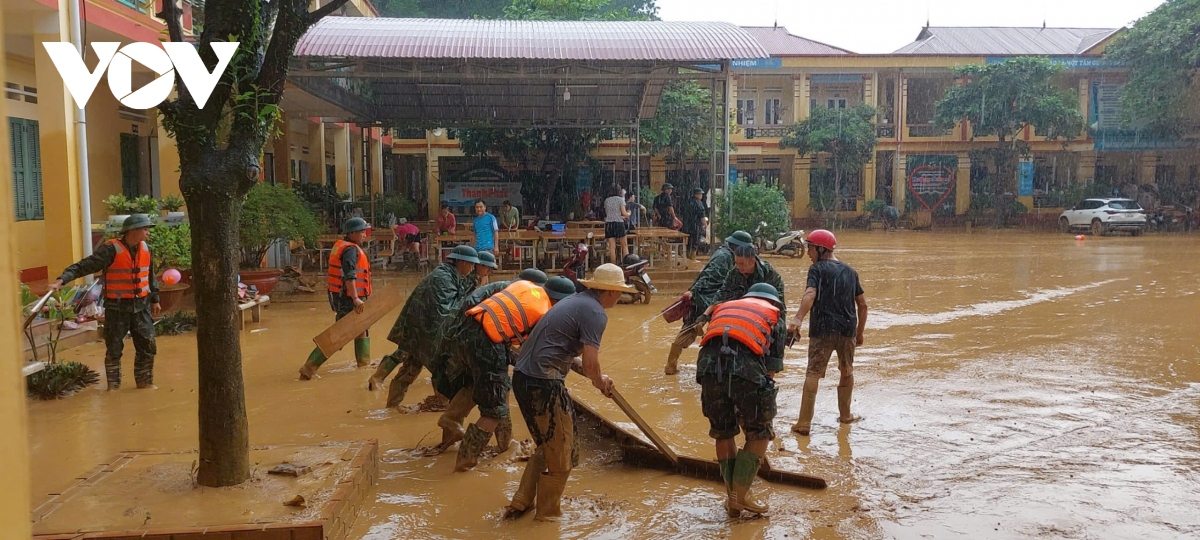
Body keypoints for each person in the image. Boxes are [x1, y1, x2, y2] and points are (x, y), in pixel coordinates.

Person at [502, 264, 631, 521]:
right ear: (610, 292)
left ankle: (521, 501)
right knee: (563, 453)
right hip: (543, 383)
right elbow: (591, 363)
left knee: (548, 444)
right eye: (619, 291)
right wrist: (598, 380)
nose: (620, 296)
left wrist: (599, 378)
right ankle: (548, 516)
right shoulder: (596, 313)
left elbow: (570, 358)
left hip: (523, 379)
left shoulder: (575, 301)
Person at [435, 273, 578, 472]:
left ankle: (503, 445)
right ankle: (465, 462)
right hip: (486, 343)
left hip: (466, 333)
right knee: (493, 410)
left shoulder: (524, 288)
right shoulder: (546, 312)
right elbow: (537, 348)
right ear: (560, 301)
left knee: (494, 388)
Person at [695, 283, 787, 517]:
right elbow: (769, 373)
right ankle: (739, 497)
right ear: (774, 302)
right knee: (760, 432)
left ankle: (733, 497)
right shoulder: (775, 317)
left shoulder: (725, 307)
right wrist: (757, 416)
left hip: (707, 367)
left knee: (723, 431)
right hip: (744, 369)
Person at [50, 214, 161, 390]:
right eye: (145, 229)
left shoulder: (147, 249)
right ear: (133, 231)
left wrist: (155, 299)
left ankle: (144, 382)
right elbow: (83, 266)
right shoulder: (110, 250)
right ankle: (113, 386)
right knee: (114, 347)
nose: (148, 233)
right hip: (117, 307)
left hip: (141, 306)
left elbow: (150, 275)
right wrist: (61, 280)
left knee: (148, 344)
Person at [369, 245, 480, 408]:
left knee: (411, 368)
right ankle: (442, 406)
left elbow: (458, 300)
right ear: (461, 262)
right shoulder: (443, 278)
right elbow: (447, 311)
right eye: (471, 264)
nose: (472, 267)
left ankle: (391, 408)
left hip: (425, 329)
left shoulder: (451, 275)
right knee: (434, 366)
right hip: (421, 329)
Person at [787, 229, 868, 436]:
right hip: (847, 331)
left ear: (821, 249)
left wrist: (798, 318)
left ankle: (804, 423)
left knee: (813, 373)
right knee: (847, 370)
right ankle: (846, 416)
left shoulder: (817, 270)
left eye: (810, 248)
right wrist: (859, 333)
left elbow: (810, 294)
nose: (808, 253)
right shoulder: (851, 271)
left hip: (822, 330)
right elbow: (863, 305)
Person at [664, 230, 752, 375]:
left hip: (706, 297)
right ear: (738, 246)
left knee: (690, 329)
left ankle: (672, 364)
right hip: (706, 298)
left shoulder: (724, 254)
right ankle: (673, 365)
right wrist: (693, 291)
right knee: (692, 329)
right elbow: (708, 276)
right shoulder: (724, 257)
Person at [299, 217, 374, 379]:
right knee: (340, 333)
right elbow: (350, 275)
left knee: (362, 328)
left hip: (343, 296)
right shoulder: (350, 251)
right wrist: (355, 298)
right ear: (352, 233)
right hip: (348, 297)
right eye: (362, 232)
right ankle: (309, 367)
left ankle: (364, 365)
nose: (365, 235)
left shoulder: (344, 246)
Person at [716, 243, 785, 307]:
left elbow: (778, 302)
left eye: (741, 264)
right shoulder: (734, 272)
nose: (738, 267)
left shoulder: (768, 272)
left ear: (752, 261)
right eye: (736, 263)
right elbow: (722, 293)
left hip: (764, 305)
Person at [603, 187, 631, 264]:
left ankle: (613, 265)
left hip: (609, 224)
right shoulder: (620, 200)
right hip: (618, 223)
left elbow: (607, 213)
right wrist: (629, 213)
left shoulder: (607, 200)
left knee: (612, 247)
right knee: (624, 245)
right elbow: (624, 213)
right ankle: (626, 264)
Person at [682, 188, 709, 259]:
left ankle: (687, 255)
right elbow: (702, 216)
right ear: (697, 194)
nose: (701, 195)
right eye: (701, 194)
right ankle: (693, 257)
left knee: (689, 240)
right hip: (696, 225)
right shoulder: (699, 203)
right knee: (695, 241)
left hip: (687, 225)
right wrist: (706, 225)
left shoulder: (688, 201)